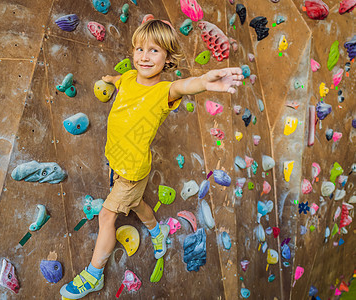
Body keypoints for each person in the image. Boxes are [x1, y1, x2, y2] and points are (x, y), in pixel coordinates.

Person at [60, 19, 243, 299]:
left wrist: (204, 82)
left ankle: (94, 275)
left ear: (168, 59)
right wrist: (110, 80)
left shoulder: (162, 93)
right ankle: (156, 231)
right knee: (136, 203)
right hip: (117, 161)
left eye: (154, 51)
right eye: (139, 49)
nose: (144, 56)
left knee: (107, 215)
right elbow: (122, 80)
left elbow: (184, 86)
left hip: (132, 169)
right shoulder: (131, 78)